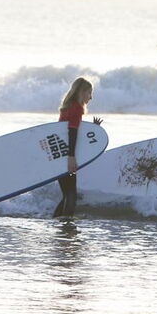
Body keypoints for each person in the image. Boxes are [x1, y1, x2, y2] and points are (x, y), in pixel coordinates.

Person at [53, 77, 102, 218]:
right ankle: (66, 228)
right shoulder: (76, 108)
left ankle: (56, 223)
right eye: (89, 93)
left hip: (60, 155)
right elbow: (72, 133)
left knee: (66, 195)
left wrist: (93, 130)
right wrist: (71, 157)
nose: (91, 97)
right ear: (81, 92)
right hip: (67, 156)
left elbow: (73, 133)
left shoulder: (68, 107)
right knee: (71, 196)